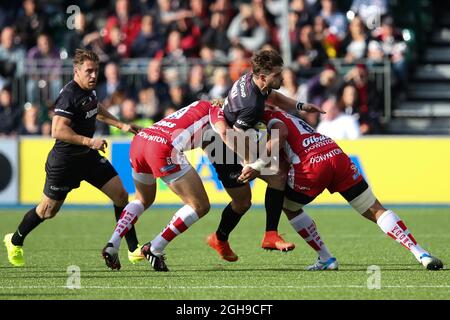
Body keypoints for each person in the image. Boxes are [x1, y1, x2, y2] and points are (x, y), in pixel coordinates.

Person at [243, 108, 444, 271]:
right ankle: (421, 253)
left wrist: (255, 165)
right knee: (375, 209)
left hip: (311, 163)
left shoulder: (266, 117)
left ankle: (326, 258)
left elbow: (279, 144)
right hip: (333, 151)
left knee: (288, 205)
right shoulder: (282, 112)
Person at [3, 49, 142, 267]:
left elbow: (96, 108)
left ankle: (133, 249)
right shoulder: (69, 95)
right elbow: (57, 130)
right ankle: (14, 240)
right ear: (76, 71)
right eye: (89, 71)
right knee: (47, 211)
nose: (94, 75)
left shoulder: (90, 91)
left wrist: (121, 124)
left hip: (87, 158)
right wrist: (89, 141)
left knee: (121, 195)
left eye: (96, 71)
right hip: (65, 162)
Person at [206, 49, 324, 261]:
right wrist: (250, 164)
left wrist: (301, 106)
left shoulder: (254, 81)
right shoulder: (250, 104)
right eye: (277, 75)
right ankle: (220, 238)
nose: (282, 78)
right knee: (243, 202)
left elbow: (274, 96)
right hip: (224, 147)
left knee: (273, 180)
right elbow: (233, 135)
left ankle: (267, 235)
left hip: (233, 137)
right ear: (262, 77)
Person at [101, 100, 223, 271]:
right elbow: (224, 132)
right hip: (162, 147)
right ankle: (155, 247)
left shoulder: (197, 104)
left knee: (142, 199)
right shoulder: (217, 112)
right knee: (200, 205)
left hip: (141, 139)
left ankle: (113, 243)